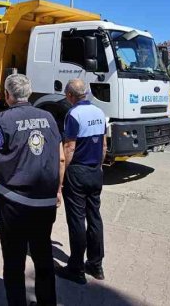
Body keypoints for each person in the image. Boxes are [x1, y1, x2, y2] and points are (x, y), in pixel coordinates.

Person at [0, 74, 65, 306]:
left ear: (7, 95)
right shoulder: (49, 118)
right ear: (30, 92)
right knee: (43, 255)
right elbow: (61, 158)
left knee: (14, 261)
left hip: (14, 204)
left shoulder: (1, 120)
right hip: (45, 203)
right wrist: (58, 190)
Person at [56, 79, 106, 285]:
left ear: (70, 95)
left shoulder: (73, 114)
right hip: (95, 171)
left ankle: (76, 268)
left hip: (77, 172)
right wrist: (99, 167)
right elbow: (103, 145)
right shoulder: (99, 112)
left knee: (77, 220)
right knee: (94, 217)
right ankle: (96, 264)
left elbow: (69, 148)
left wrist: (61, 179)